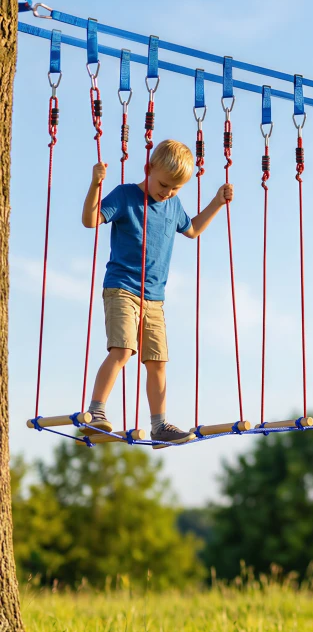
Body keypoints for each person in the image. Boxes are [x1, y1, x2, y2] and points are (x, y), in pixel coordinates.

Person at [82, 140, 233, 446]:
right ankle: (96, 411)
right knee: (122, 350)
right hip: (121, 289)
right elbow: (90, 220)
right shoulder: (125, 195)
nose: (167, 193)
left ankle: (159, 425)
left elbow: (191, 229)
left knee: (158, 361)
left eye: (175, 189)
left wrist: (217, 202)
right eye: (164, 184)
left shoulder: (172, 205)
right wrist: (96, 184)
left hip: (154, 298)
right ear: (148, 169)